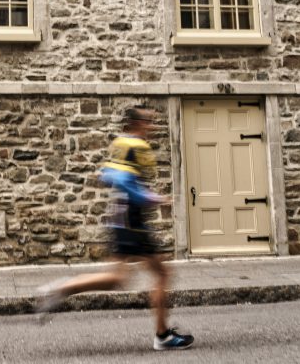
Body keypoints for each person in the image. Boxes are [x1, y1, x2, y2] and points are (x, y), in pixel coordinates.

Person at [35, 108, 194, 351]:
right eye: (147, 121)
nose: (151, 126)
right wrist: (150, 198)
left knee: (117, 278)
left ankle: (61, 289)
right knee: (160, 274)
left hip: (120, 215)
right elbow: (120, 180)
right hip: (132, 218)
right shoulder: (135, 146)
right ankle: (162, 336)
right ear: (135, 124)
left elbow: (107, 174)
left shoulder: (120, 144)